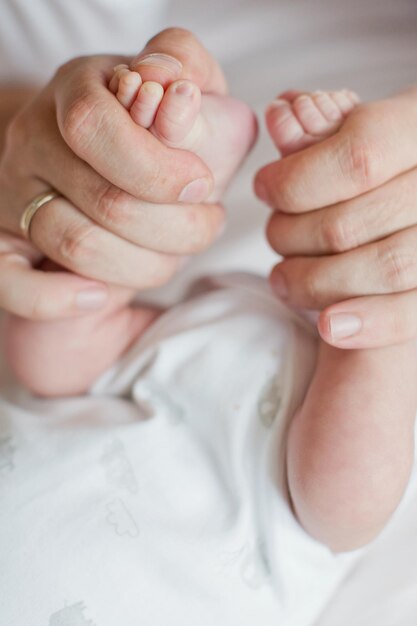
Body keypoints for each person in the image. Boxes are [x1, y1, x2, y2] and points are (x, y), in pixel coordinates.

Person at [2, 51, 416, 620]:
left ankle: (174, 171)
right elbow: (347, 503)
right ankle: (158, 175)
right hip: (256, 397)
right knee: (54, 352)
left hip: (272, 428)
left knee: (49, 356)